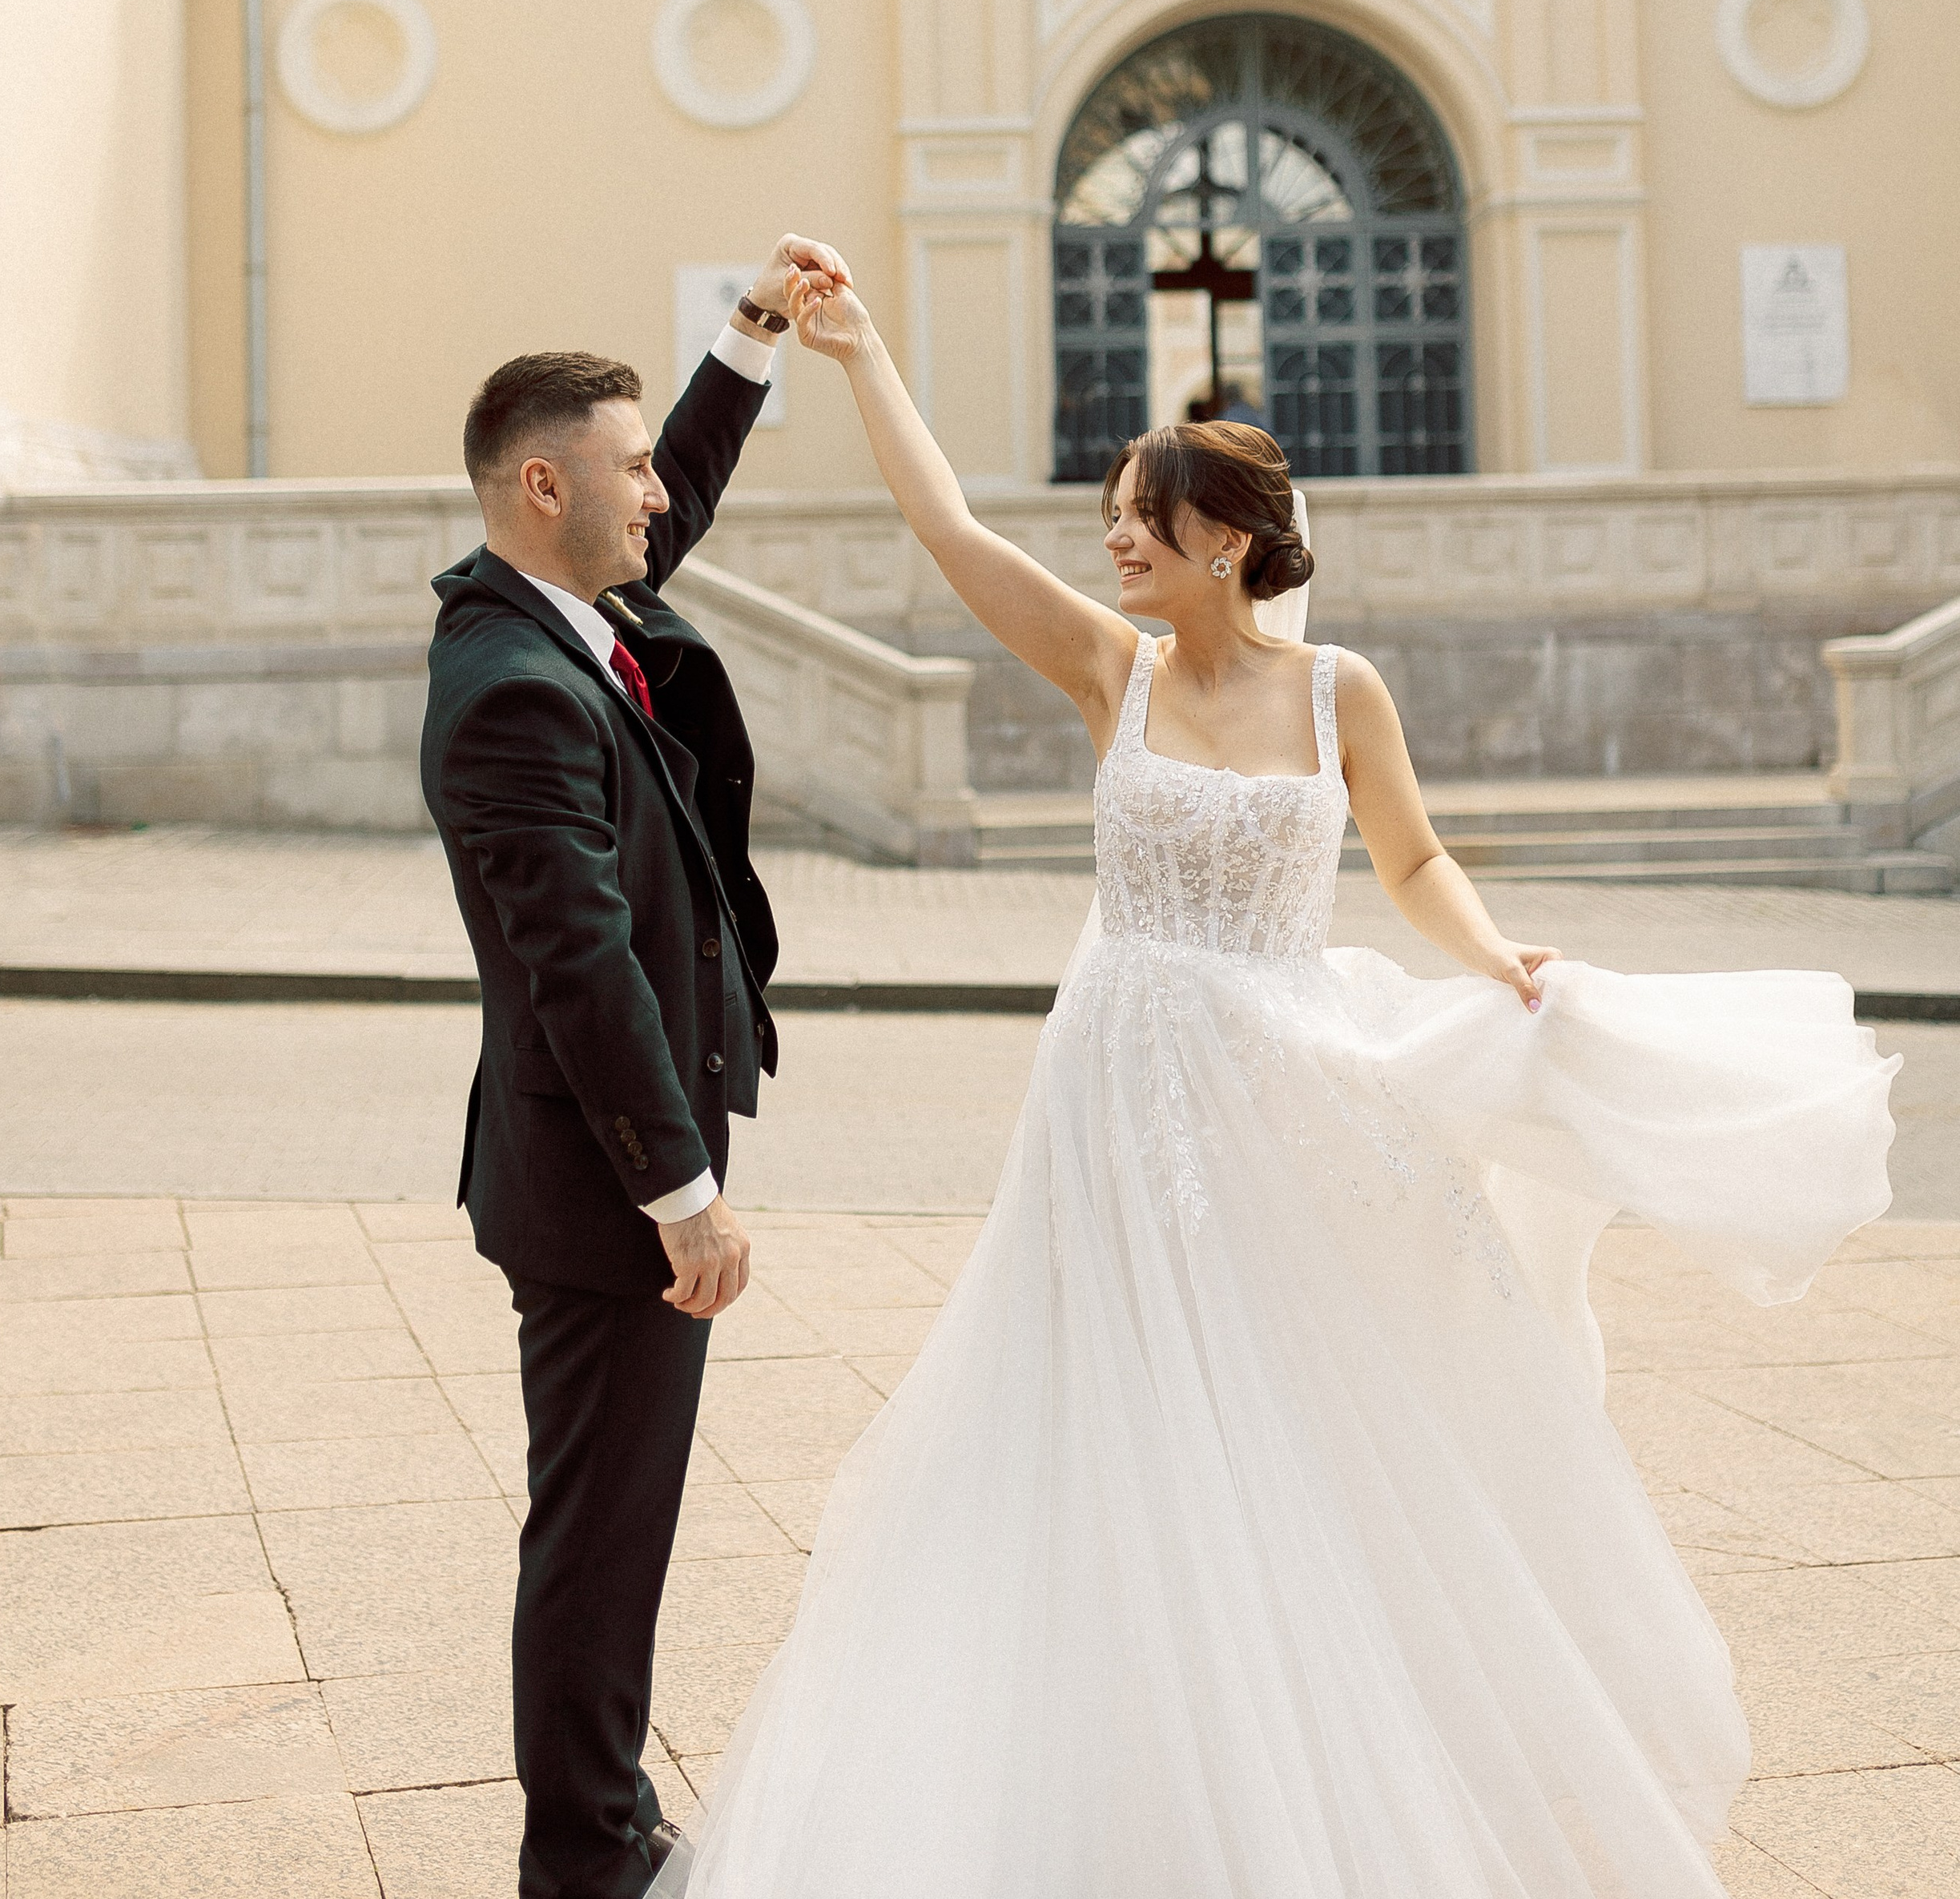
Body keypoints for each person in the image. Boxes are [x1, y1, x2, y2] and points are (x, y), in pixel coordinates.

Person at [654, 280, 1899, 1899]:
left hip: (1276, 1080)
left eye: (1139, 524)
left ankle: (1307, 1761)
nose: (1113, 545)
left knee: (1287, 1410)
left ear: (1226, 541)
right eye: (1110, 522)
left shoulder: (1339, 696)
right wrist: (864, 356)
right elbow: (949, 527)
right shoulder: (1111, 673)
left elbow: (1414, 854)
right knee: (1105, 1408)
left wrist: (1490, 957)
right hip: (1110, 1095)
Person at [419, 235, 847, 1899]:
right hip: (606, 1183)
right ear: (540, 485)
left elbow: (682, 487)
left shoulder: (564, 610)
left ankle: (598, 1823)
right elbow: (577, 968)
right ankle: (585, 1857)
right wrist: (683, 1199)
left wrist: (747, 341)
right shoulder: (512, 688)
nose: (654, 501)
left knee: (611, 1527)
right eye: (621, 476)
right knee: (598, 1538)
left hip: (602, 1171)